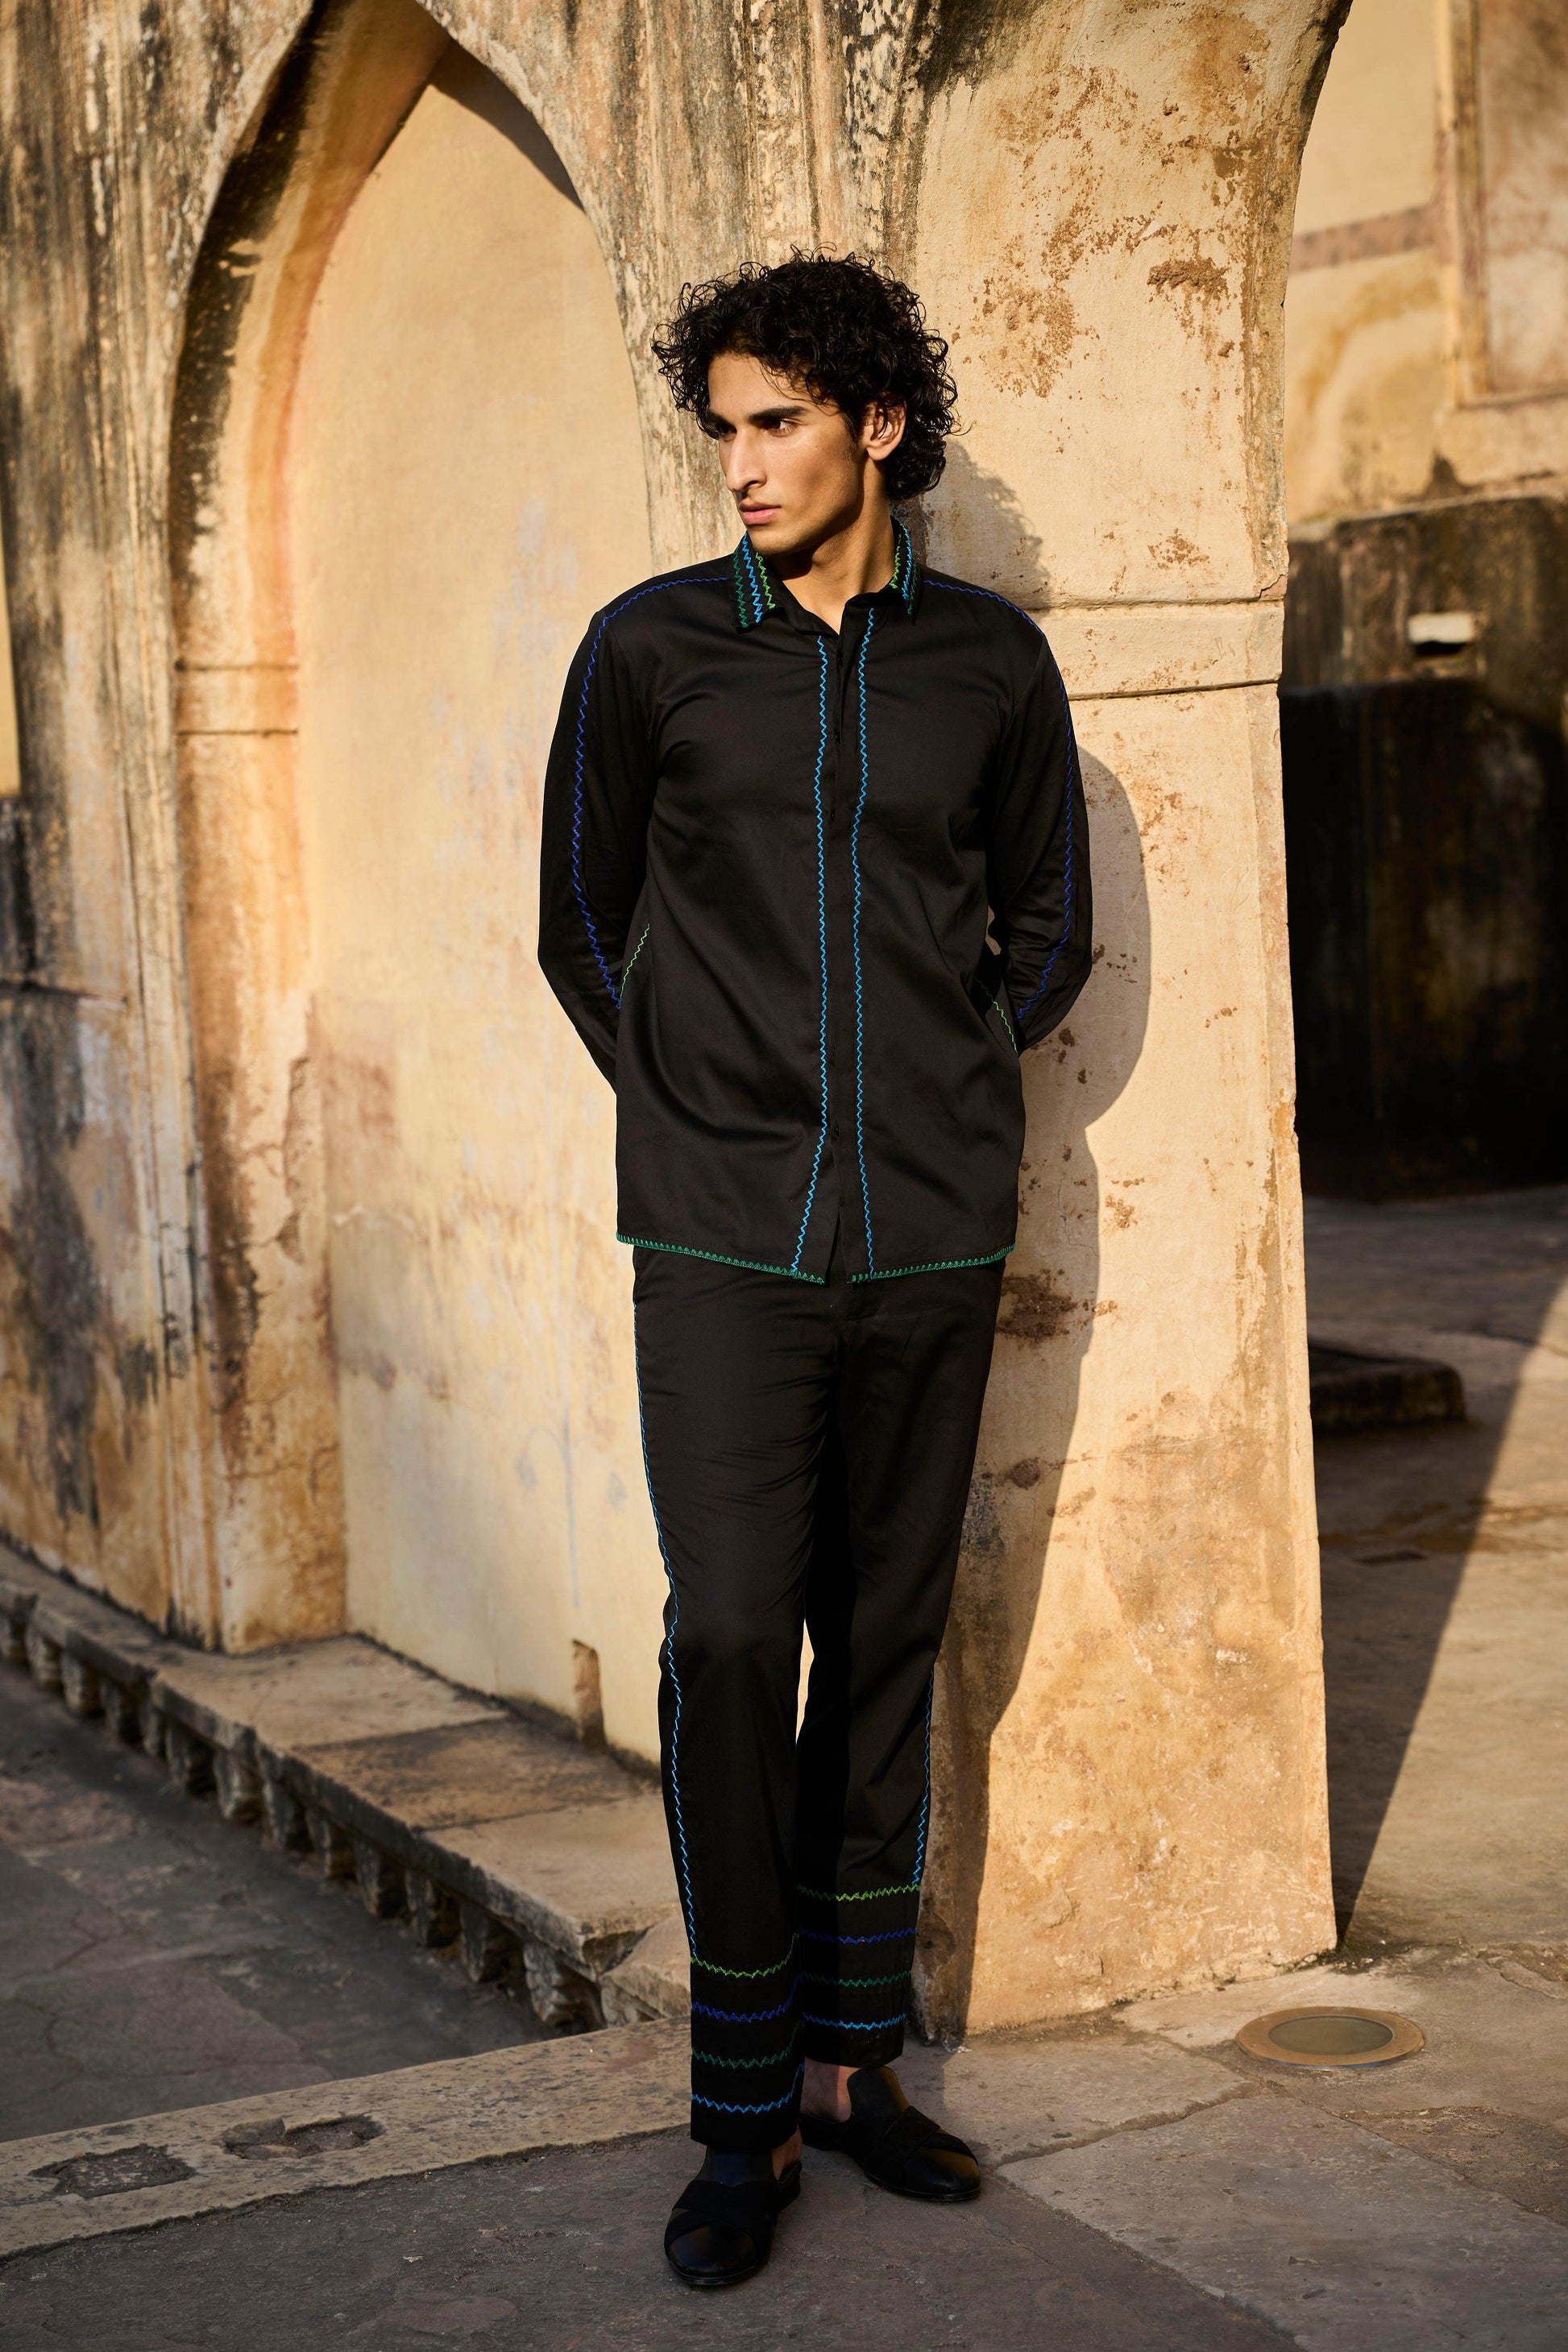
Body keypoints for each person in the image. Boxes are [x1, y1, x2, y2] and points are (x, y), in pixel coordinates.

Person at [537, 251, 1092, 2289]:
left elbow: (1047, 928)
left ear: (877, 423)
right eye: (723, 429)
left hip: (932, 1228)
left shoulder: (991, 666)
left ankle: (856, 2068)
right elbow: (579, 921)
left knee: (880, 1639)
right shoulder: (651, 649)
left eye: (776, 421)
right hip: (720, 1240)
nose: (741, 464)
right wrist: (701, 1105)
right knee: (725, 1636)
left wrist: (934, 1088)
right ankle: (741, 2105)